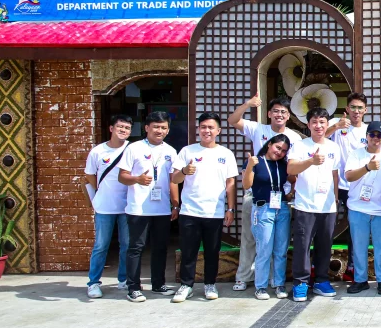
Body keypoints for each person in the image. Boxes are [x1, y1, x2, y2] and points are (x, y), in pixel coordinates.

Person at [227, 95, 302, 292]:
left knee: (277, 244)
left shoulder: (294, 138)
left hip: (280, 197)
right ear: (269, 114)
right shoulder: (258, 129)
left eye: (283, 112)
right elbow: (233, 121)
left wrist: (292, 191)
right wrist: (247, 105)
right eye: (276, 111)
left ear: (289, 116)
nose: (279, 115)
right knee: (251, 239)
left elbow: (295, 170)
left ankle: (273, 281)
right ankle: (244, 277)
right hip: (256, 193)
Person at [170, 113, 238, 303]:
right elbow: (174, 179)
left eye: (211, 127)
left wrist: (230, 209)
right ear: (198, 129)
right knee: (188, 251)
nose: (207, 131)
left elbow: (230, 183)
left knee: (212, 251)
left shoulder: (225, 154)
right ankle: (186, 285)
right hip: (190, 211)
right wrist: (184, 171)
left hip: (214, 212)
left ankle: (210, 284)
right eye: (203, 127)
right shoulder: (187, 151)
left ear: (218, 131)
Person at [118, 111, 179, 302]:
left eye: (163, 127)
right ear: (147, 128)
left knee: (160, 247)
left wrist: (175, 204)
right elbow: (122, 176)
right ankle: (133, 287)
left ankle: (158, 284)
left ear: (168, 130)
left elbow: (173, 180)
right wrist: (137, 179)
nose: (159, 130)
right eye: (156, 127)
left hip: (161, 208)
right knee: (136, 247)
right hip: (138, 208)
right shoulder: (133, 148)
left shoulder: (170, 151)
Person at [286, 107, 342, 302]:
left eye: (322, 122)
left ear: (327, 124)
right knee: (302, 245)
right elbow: (291, 169)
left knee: (325, 245)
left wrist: (335, 198)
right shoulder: (300, 146)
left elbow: (335, 174)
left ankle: (320, 280)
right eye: (315, 122)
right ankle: (301, 282)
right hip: (305, 205)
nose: (319, 126)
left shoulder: (334, 147)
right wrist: (310, 161)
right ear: (308, 124)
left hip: (327, 206)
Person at [83, 114, 133, 299]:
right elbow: (89, 175)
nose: (123, 130)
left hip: (127, 205)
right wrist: (102, 191)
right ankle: (93, 283)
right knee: (101, 245)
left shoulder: (132, 149)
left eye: (127, 128)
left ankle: (124, 279)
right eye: (120, 127)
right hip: (104, 206)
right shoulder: (97, 151)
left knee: (127, 245)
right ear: (111, 128)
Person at [344, 121, 381, 295]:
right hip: (358, 208)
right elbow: (349, 176)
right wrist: (367, 167)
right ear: (366, 136)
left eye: (379, 135)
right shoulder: (356, 154)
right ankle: (360, 280)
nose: (375, 138)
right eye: (372, 135)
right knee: (359, 247)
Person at [241, 134, 293, 300]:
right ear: (269, 144)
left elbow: (294, 178)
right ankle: (261, 287)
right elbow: (246, 184)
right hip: (263, 208)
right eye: (278, 148)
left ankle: (279, 284)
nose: (280, 152)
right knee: (264, 249)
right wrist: (249, 166)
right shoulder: (256, 161)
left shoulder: (284, 164)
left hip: (282, 208)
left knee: (281, 250)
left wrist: (291, 193)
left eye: (284, 151)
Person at [327, 92, 370, 282]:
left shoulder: (368, 131)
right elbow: (319, 136)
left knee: (355, 228)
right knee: (328, 225)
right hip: (337, 184)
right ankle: (320, 267)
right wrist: (336, 126)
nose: (356, 111)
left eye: (360, 108)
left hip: (359, 185)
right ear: (347, 109)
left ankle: (352, 267)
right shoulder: (337, 123)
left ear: (365, 111)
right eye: (353, 107)